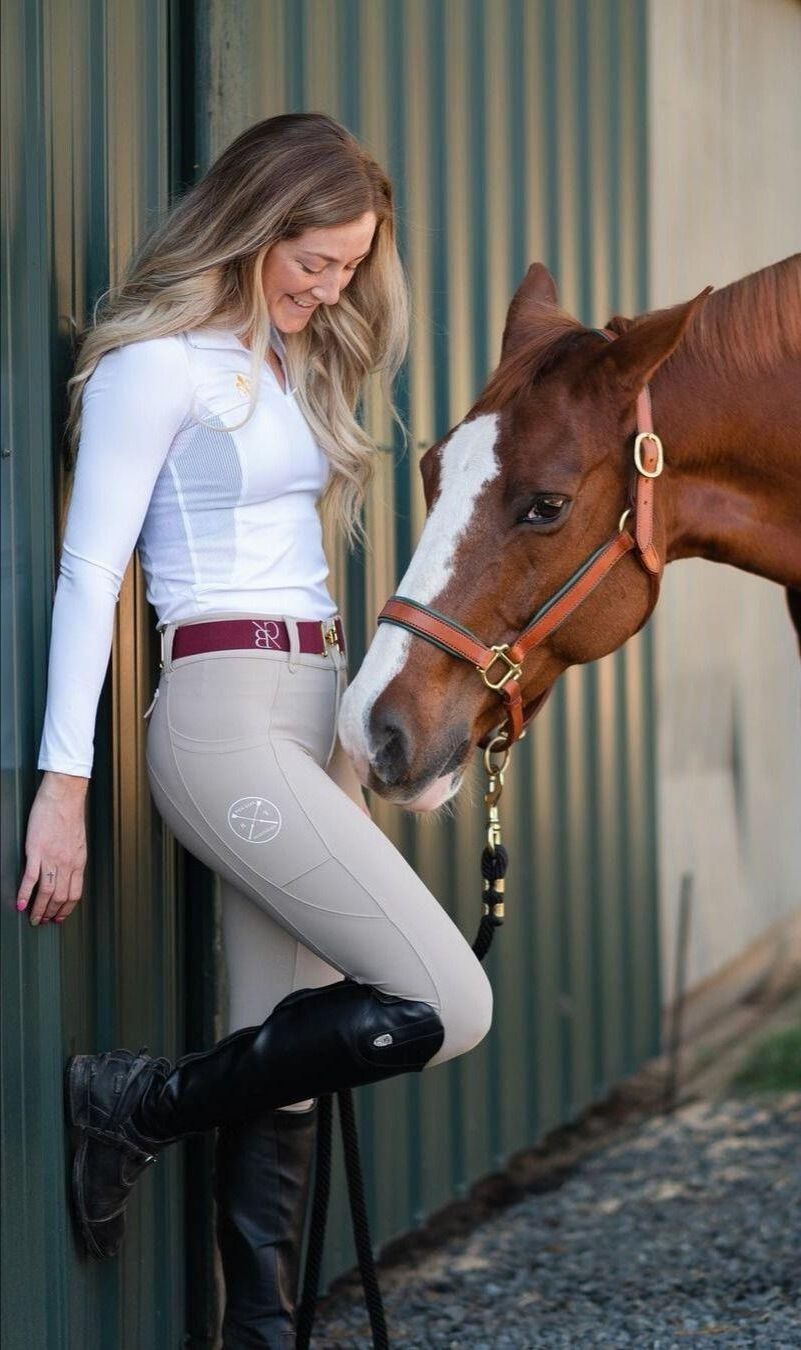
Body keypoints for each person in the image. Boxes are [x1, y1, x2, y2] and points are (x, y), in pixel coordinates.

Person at [16, 112, 493, 1348]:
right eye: (313, 261)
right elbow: (87, 572)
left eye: (348, 269)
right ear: (251, 221)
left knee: (282, 1058)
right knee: (448, 1002)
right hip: (222, 723)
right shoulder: (156, 364)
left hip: (316, 710)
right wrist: (62, 788)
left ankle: (261, 1333)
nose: (328, 288)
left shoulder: (289, 363)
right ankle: (147, 1102)